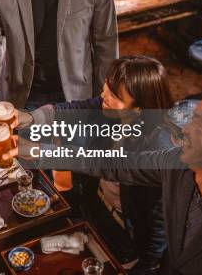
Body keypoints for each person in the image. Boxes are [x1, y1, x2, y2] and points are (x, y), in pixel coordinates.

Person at [19, 88, 202, 274]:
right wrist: (35, 150)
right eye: (192, 119)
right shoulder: (177, 164)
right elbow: (111, 162)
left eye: (200, 125)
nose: (185, 130)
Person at [34, 56, 176, 274]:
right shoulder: (110, 109)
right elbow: (70, 110)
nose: (103, 96)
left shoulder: (158, 150)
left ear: (139, 109)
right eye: (107, 86)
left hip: (127, 232)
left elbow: (160, 220)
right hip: (97, 206)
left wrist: (148, 264)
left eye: (114, 95)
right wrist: (28, 119)